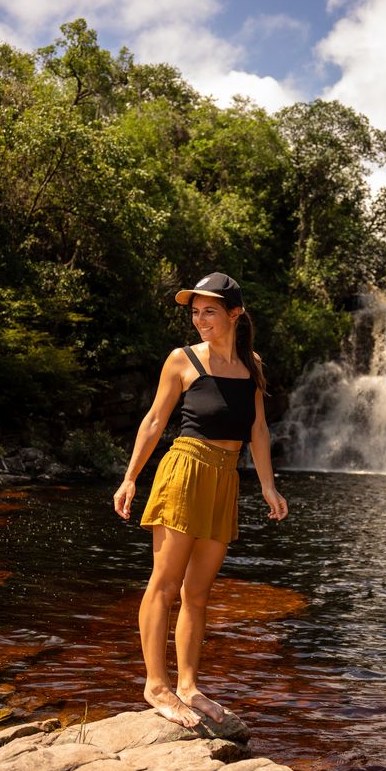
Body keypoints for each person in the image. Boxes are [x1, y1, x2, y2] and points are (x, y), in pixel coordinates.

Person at [112, 272, 288, 728]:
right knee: (165, 584)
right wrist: (130, 479)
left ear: (235, 313)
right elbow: (154, 421)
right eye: (195, 312)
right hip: (185, 472)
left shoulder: (251, 366)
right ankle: (156, 686)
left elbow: (258, 429)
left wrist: (268, 486)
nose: (200, 319)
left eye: (210, 310)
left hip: (225, 479)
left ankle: (189, 686)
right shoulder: (182, 359)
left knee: (198, 592)